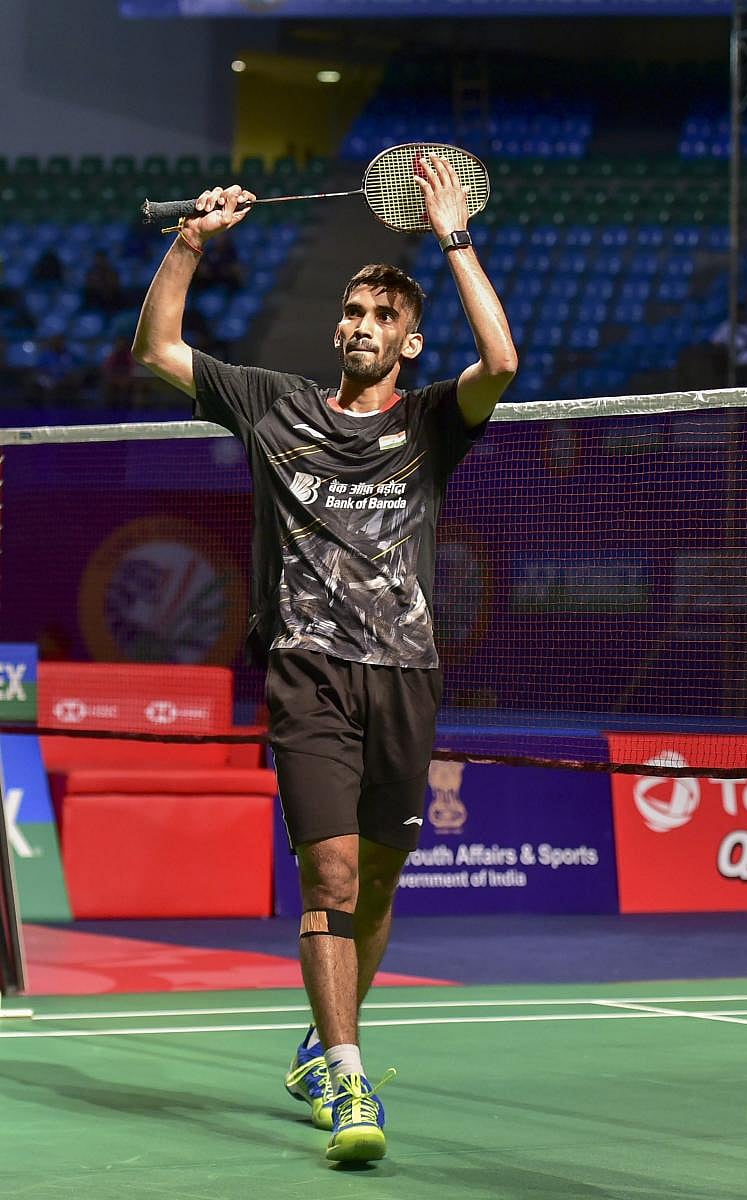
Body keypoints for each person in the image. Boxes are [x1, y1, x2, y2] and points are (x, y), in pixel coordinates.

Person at [132, 155, 517, 1164]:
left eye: (379, 316)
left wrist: (450, 236)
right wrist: (190, 241)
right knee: (332, 878)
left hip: (403, 674)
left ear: (408, 340)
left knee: (380, 884)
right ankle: (350, 1085)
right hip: (305, 671)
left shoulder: (430, 425)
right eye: (350, 310)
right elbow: (158, 348)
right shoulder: (271, 405)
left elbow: (503, 363)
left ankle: (318, 1040)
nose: (357, 324)